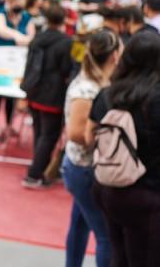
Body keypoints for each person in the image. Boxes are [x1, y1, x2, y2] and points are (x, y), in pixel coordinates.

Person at [87, 32, 160, 266]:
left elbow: (89, 136)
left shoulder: (108, 94)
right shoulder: (155, 99)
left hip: (108, 187)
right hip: (148, 194)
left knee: (119, 254)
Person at [62, 30, 120, 267]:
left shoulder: (97, 81)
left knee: (79, 223)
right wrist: (107, 140)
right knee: (106, 236)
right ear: (114, 55)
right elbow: (75, 133)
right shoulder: (87, 89)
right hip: (84, 168)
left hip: (81, 166)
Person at [21, 4, 73, 188]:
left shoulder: (37, 39)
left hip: (34, 92)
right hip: (53, 95)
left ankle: (39, 169)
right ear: (63, 20)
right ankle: (34, 174)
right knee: (49, 135)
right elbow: (67, 69)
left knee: (40, 133)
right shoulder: (66, 42)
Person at [0, 0, 35, 139]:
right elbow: (1, 30)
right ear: (10, 2)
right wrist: (17, 36)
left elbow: (31, 34)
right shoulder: (0, 14)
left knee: (12, 95)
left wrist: (26, 40)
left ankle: (8, 125)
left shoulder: (25, 16)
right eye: (17, 2)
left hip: (16, 61)